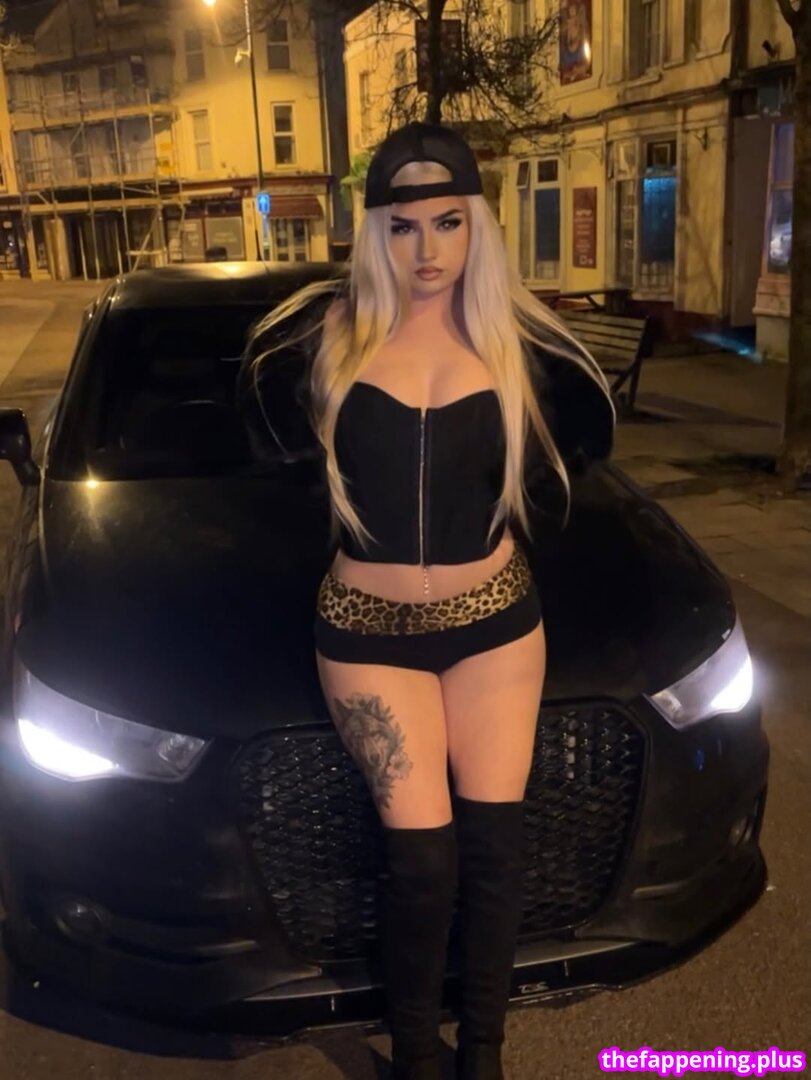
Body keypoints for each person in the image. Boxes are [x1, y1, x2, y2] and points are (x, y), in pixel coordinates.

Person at [238, 122, 615, 1080]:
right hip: (367, 633)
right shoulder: (325, 342)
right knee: (422, 861)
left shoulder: (520, 346)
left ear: (478, 223)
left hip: (494, 625)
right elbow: (262, 454)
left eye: (448, 222)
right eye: (403, 227)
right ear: (375, 232)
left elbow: (581, 460)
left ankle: (481, 1056)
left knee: (494, 854)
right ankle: (414, 1057)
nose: (427, 249)